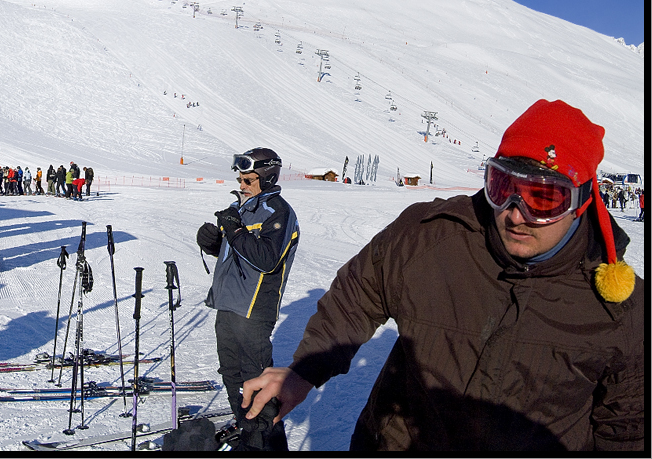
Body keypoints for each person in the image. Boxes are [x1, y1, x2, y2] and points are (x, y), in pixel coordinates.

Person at [241, 100, 644, 452]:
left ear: (582, 200)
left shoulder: (621, 310)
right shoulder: (430, 236)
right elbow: (358, 295)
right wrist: (304, 371)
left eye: (543, 197)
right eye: (502, 187)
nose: (515, 213)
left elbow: (627, 428)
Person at [195, 147, 298, 451]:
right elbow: (236, 252)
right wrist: (215, 244)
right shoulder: (240, 207)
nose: (242, 184)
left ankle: (262, 444)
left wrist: (235, 229)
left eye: (249, 179)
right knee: (232, 375)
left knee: (257, 380)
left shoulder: (278, 212)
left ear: (267, 178)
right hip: (228, 305)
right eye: (240, 178)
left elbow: (266, 259)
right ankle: (249, 432)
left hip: (254, 311)